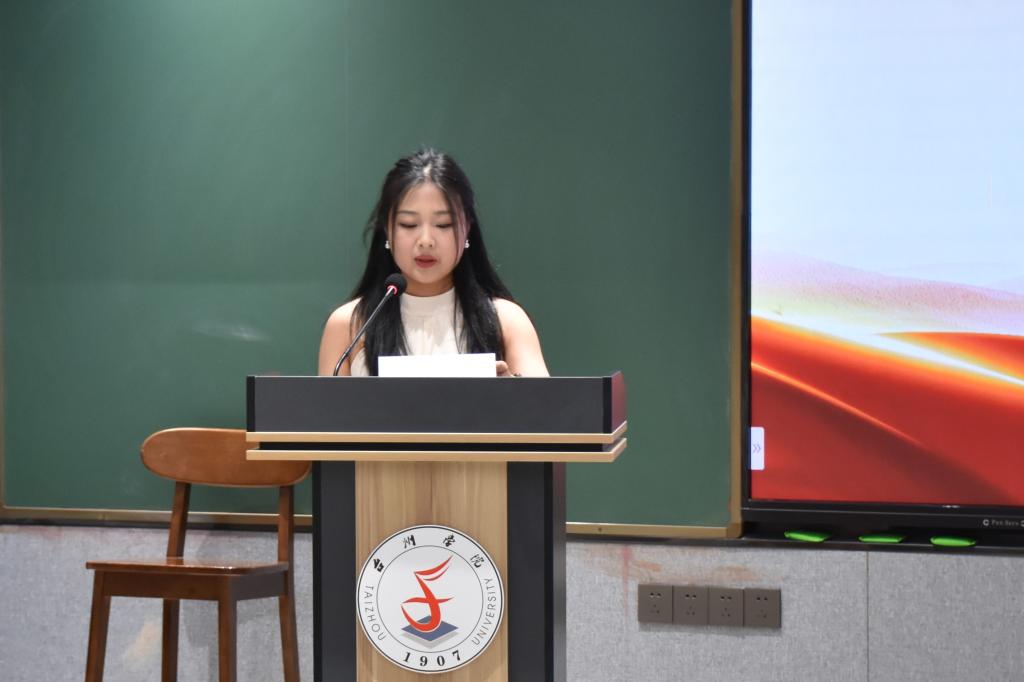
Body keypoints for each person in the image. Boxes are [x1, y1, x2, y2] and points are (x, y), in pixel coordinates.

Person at [318, 148, 548, 378]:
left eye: (443, 224)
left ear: (467, 228)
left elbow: (546, 400)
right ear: (387, 229)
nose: (426, 241)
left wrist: (510, 391)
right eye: (409, 224)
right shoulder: (349, 326)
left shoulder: (507, 321)